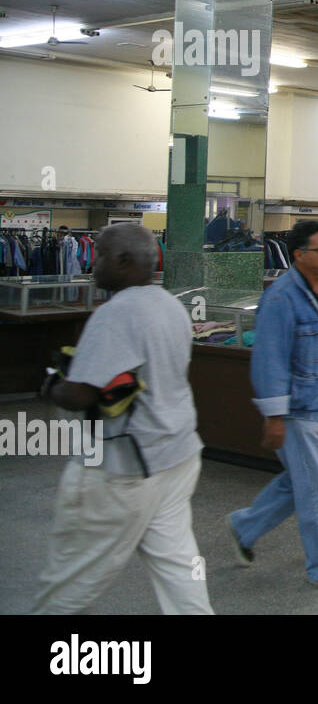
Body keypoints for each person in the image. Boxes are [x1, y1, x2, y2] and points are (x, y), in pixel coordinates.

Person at [31, 223, 212, 614]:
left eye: (99, 255)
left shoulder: (115, 314)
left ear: (124, 261)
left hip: (123, 470)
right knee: (179, 567)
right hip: (177, 457)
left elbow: (81, 396)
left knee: (73, 575)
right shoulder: (171, 306)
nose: (93, 263)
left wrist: (51, 385)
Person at [228, 220, 318, 593]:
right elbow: (269, 359)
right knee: (315, 489)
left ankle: (245, 527)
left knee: (308, 479)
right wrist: (274, 415)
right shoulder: (282, 298)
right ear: (299, 255)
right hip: (298, 410)